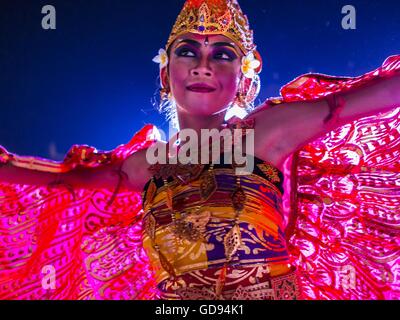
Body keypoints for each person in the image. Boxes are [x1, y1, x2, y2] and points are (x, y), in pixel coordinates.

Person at [0, 0, 399, 300]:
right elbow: (56, 183)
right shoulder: (147, 165)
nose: (202, 65)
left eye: (222, 55)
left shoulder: (266, 134)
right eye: (188, 51)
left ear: (244, 80)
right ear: (164, 73)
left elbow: (384, 93)